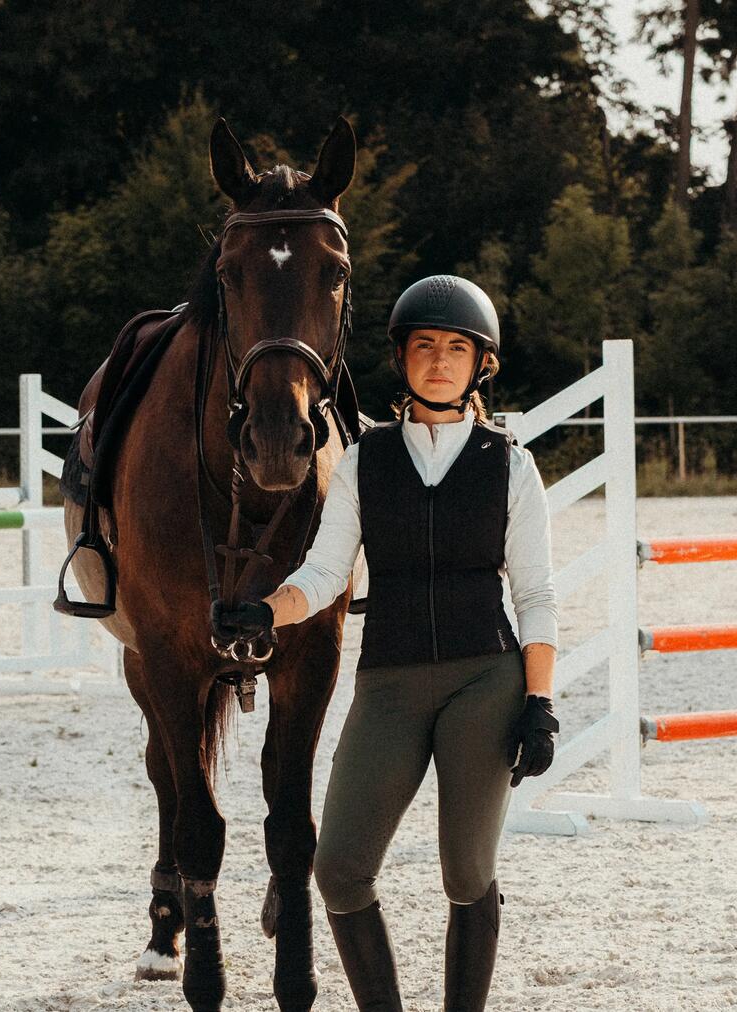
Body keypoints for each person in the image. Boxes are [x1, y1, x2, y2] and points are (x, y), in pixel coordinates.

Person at [212, 274, 560, 1011]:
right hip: (390, 686)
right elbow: (324, 571)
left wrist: (539, 701)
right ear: (401, 358)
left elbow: (535, 595)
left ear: (480, 365)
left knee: (466, 873)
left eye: (457, 349)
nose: (440, 361)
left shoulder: (512, 465)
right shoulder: (366, 462)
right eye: (424, 346)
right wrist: (264, 613)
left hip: (485, 682)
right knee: (338, 868)